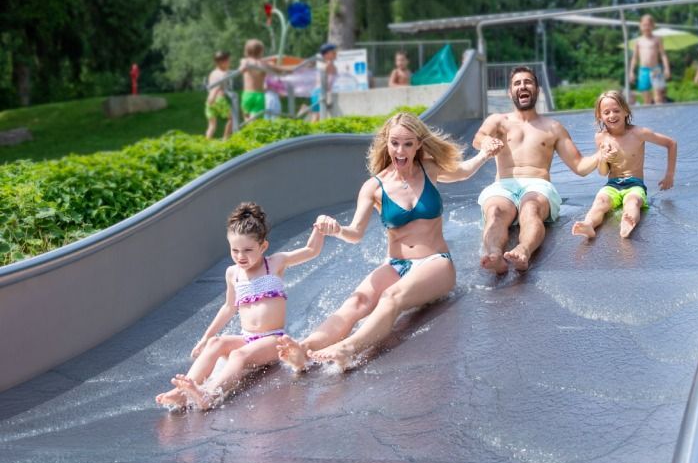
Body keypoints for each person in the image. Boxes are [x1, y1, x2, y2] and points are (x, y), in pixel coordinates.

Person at [275, 112, 503, 371]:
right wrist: (336, 229)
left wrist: (485, 153)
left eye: (407, 143)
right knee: (356, 302)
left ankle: (348, 349)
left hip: (435, 263)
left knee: (390, 297)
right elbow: (355, 233)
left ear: (418, 144)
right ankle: (304, 349)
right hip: (396, 264)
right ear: (387, 143)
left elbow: (462, 172)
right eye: (395, 143)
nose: (400, 150)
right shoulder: (373, 187)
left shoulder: (430, 169)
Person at [155, 203, 327, 410]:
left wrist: (319, 228)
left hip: (273, 340)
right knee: (216, 343)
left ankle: (209, 395)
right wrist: (205, 338)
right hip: (246, 338)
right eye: (234, 250)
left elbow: (311, 250)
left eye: (247, 250)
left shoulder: (274, 263)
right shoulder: (232, 273)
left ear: (263, 247)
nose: (240, 256)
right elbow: (228, 307)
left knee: (238, 356)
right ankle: (183, 392)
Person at [472, 66, 600, 274]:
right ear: (510, 92)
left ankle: (523, 250)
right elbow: (478, 139)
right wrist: (487, 141)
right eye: (517, 83)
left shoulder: (553, 127)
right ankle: (495, 254)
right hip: (504, 185)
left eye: (528, 82)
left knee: (530, 208)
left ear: (537, 89)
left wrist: (600, 154)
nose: (522, 86)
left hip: (537, 185)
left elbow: (580, 167)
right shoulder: (498, 121)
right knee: (494, 212)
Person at [572, 90, 677, 239]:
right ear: (599, 116)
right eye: (606, 112)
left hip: (634, 184)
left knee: (632, 202)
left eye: (616, 111)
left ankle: (628, 222)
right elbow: (603, 172)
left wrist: (669, 175)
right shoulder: (601, 137)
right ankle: (589, 224)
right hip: (612, 184)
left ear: (626, 111)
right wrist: (603, 158)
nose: (612, 115)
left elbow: (671, 143)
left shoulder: (639, 133)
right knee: (599, 202)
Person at [239, 39, 291, 121]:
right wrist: (294, 68)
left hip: (247, 94)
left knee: (246, 118)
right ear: (261, 52)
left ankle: (247, 130)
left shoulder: (245, 61)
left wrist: (242, 68)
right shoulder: (263, 64)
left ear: (246, 51)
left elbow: (241, 69)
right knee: (254, 120)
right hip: (259, 95)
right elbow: (279, 69)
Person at [629, 14, 672, 105]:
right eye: (644, 25)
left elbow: (663, 55)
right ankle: (649, 118)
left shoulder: (657, 39)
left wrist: (667, 68)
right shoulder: (638, 41)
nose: (646, 27)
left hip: (655, 69)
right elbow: (635, 57)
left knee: (659, 97)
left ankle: (659, 116)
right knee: (646, 99)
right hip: (643, 70)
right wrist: (631, 71)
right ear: (640, 26)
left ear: (653, 26)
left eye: (648, 25)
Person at [300, 43, 338, 122]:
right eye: (333, 52)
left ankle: (306, 109)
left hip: (322, 92)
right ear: (327, 54)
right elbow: (323, 80)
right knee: (317, 116)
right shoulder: (326, 66)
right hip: (319, 92)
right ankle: (311, 133)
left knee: (320, 116)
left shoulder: (331, 65)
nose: (336, 53)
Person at [205, 50, 234, 140]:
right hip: (218, 99)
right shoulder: (223, 74)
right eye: (228, 61)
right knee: (231, 118)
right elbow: (217, 87)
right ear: (222, 62)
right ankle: (225, 139)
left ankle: (206, 142)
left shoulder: (213, 73)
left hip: (209, 101)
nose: (230, 63)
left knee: (212, 125)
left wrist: (211, 100)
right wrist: (214, 97)